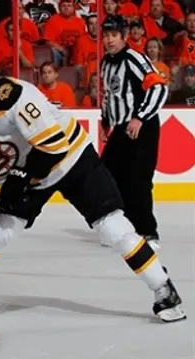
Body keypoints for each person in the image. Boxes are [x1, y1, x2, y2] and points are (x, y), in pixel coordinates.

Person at [0, 52, 185, 324]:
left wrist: (19, 179)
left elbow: (54, 146)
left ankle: (163, 289)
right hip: (31, 173)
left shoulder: (14, 96)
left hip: (72, 156)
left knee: (113, 227)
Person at [99, 15, 168, 248]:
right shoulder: (105, 63)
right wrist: (105, 121)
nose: (109, 40)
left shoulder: (134, 59)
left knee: (139, 180)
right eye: (106, 35)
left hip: (142, 127)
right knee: (107, 176)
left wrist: (140, 117)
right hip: (120, 128)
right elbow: (109, 95)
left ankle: (148, 232)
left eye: (114, 35)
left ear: (124, 37)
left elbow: (158, 88)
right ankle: (121, 228)